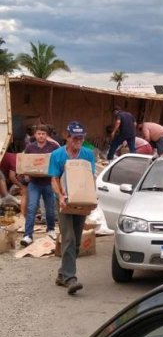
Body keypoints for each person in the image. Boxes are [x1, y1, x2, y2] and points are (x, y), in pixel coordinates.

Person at [50, 122, 95, 295]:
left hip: (81, 202)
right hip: (63, 202)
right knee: (68, 237)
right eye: (75, 138)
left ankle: (62, 274)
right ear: (67, 137)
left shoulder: (88, 154)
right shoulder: (57, 155)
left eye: (81, 138)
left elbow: (88, 177)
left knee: (75, 240)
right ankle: (70, 278)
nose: (78, 141)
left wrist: (91, 196)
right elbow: (53, 179)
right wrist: (60, 196)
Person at [21, 125, 59, 246]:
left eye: (43, 134)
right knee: (31, 207)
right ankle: (28, 235)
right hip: (34, 183)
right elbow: (24, 163)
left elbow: (58, 163)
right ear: (35, 135)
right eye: (39, 133)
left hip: (48, 182)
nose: (41, 136)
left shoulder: (53, 147)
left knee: (50, 208)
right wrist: (25, 175)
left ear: (47, 135)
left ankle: (51, 229)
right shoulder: (30, 147)